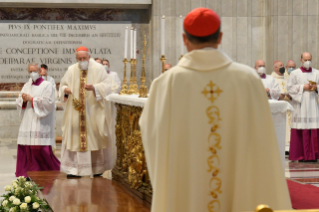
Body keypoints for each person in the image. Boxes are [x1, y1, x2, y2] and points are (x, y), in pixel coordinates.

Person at [139, 7, 291, 212]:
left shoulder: (166, 83)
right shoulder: (247, 79)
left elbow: (152, 135)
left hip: (187, 192)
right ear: (220, 37)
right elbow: (262, 141)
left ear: (184, 39)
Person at [59, 46, 118, 177]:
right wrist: (65, 90)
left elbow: (109, 86)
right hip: (75, 112)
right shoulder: (71, 69)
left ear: (89, 57)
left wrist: (95, 88)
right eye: (79, 59)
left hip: (93, 111)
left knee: (94, 138)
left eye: (84, 58)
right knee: (75, 139)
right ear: (76, 58)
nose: (82, 61)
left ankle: (96, 168)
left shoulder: (99, 69)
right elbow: (62, 85)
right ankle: (74, 170)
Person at [15, 62, 60, 178]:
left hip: (40, 121)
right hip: (28, 119)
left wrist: (32, 99)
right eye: (30, 71)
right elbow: (19, 100)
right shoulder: (27, 84)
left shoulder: (46, 85)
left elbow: (49, 103)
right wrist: (23, 100)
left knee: (38, 148)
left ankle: (45, 171)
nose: (32, 74)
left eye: (34, 71)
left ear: (40, 71)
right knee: (26, 146)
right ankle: (25, 174)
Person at [288, 52, 319, 162]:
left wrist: (316, 88)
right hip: (301, 105)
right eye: (305, 60)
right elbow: (290, 88)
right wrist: (303, 87)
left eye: (309, 59)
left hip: (312, 105)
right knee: (301, 128)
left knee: (313, 128)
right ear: (301, 60)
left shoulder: (317, 73)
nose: (307, 62)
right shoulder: (295, 73)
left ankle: (313, 155)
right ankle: (301, 155)